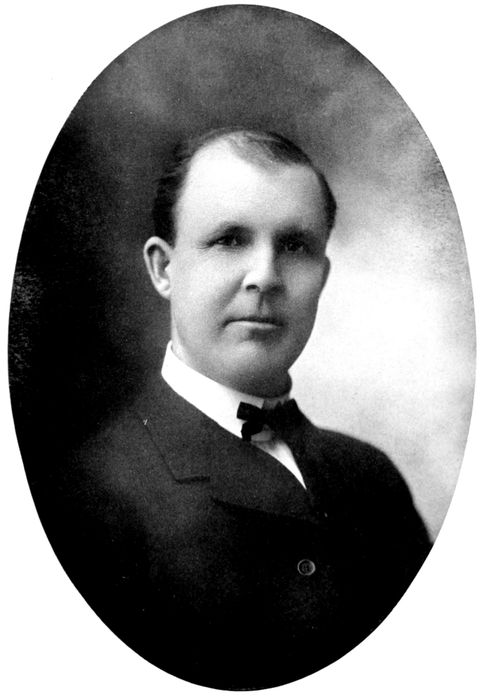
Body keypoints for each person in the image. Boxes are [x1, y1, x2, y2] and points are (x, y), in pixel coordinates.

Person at [50, 128, 431, 690]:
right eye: (229, 240)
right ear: (163, 269)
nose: (266, 276)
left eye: (295, 246)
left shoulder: (373, 480)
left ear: (323, 277)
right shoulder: (87, 496)